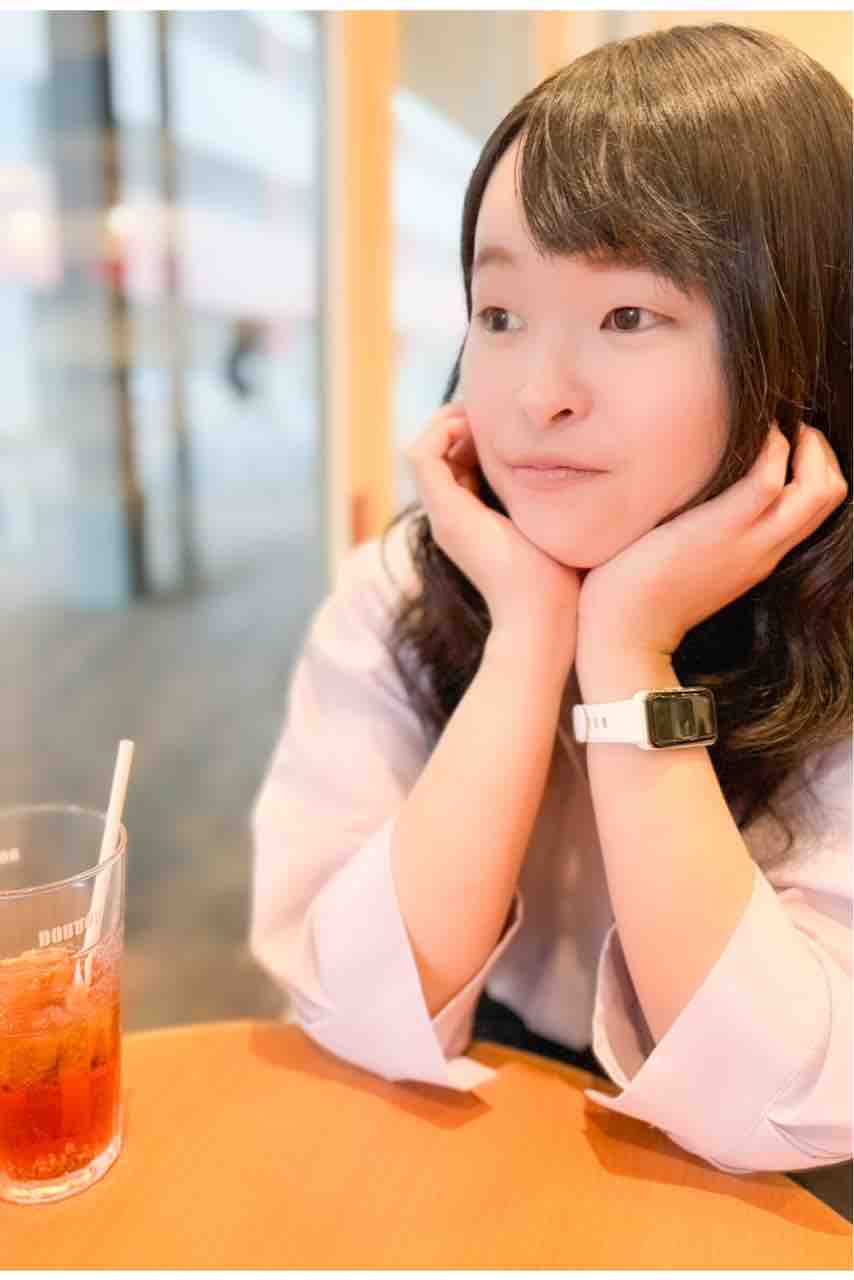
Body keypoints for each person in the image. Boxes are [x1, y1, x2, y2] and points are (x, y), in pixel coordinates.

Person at [250, 23, 852, 1175]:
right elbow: (346, 1008)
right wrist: (529, 635)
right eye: (499, 313)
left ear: (799, 341)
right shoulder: (405, 587)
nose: (538, 394)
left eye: (626, 316)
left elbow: (777, 1103)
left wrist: (627, 650)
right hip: (475, 1115)